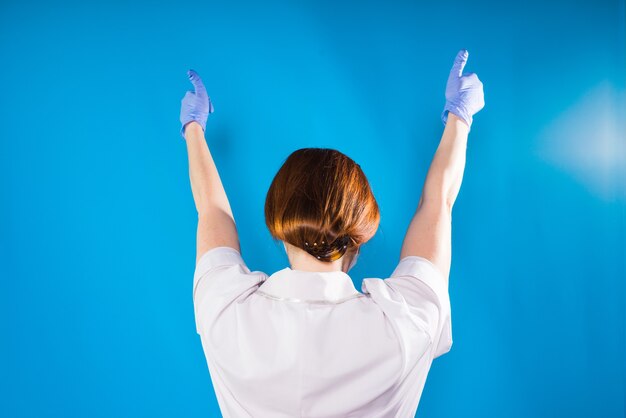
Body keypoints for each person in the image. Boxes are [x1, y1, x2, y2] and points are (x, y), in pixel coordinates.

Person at [180, 49, 484, 417]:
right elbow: (438, 204)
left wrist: (193, 128)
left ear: (280, 226)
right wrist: (460, 119)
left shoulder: (224, 309)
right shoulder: (406, 324)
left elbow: (211, 211)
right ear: (359, 239)